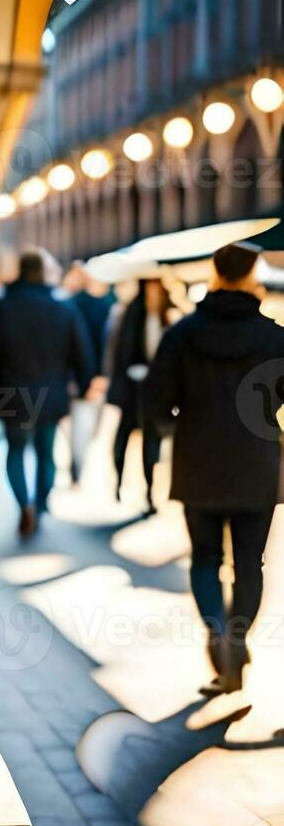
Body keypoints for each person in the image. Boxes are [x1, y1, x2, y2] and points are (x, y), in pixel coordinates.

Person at [145, 241, 284, 694]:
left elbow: (157, 403)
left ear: (217, 274)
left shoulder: (184, 333)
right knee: (250, 563)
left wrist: (181, 424)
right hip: (257, 462)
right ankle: (238, 639)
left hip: (198, 460)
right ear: (250, 277)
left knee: (205, 559)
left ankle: (218, 635)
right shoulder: (273, 336)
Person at [0, 249, 96, 537]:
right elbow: (82, 354)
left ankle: (24, 505)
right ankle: (41, 504)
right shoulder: (64, 309)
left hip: (12, 393)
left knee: (16, 451)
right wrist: (85, 385)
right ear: (44, 274)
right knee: (47, 454)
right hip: (52, 393)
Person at [103, 277, 170, 513]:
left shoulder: (169, 315)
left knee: (151, 445)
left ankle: (150, 494)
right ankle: (118, 484)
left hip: (156, 393)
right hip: (132, 392)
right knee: (122, 440)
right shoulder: (131, 314)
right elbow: (119, 353)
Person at [61, 261, 116, 483]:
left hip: (72, 375)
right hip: (92, 376)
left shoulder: (70, 305)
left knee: (75, 426)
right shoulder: (105, 305)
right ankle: (77, 465)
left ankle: (76, 465)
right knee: (85, 426)